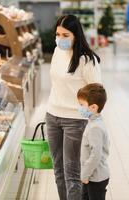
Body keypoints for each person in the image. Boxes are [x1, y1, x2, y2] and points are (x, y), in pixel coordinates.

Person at [45, 15, 102, 200]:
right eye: (58, 34)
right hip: (52, 116)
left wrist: (93, 121)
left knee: (72, 173)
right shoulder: (57, 52)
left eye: (65, 35)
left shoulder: (87, 60)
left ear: (76, 35)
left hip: (76, 121)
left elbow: (97, 92)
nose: (60, 39)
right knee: (58, 170)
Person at [77, 83, 110, 200]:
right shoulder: (94, 122)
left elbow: (96, 155)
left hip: (95, 177)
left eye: (81, 105)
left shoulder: (95, 128)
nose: (79, 108)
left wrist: (85, 174)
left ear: (93, 107)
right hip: (92, 176)